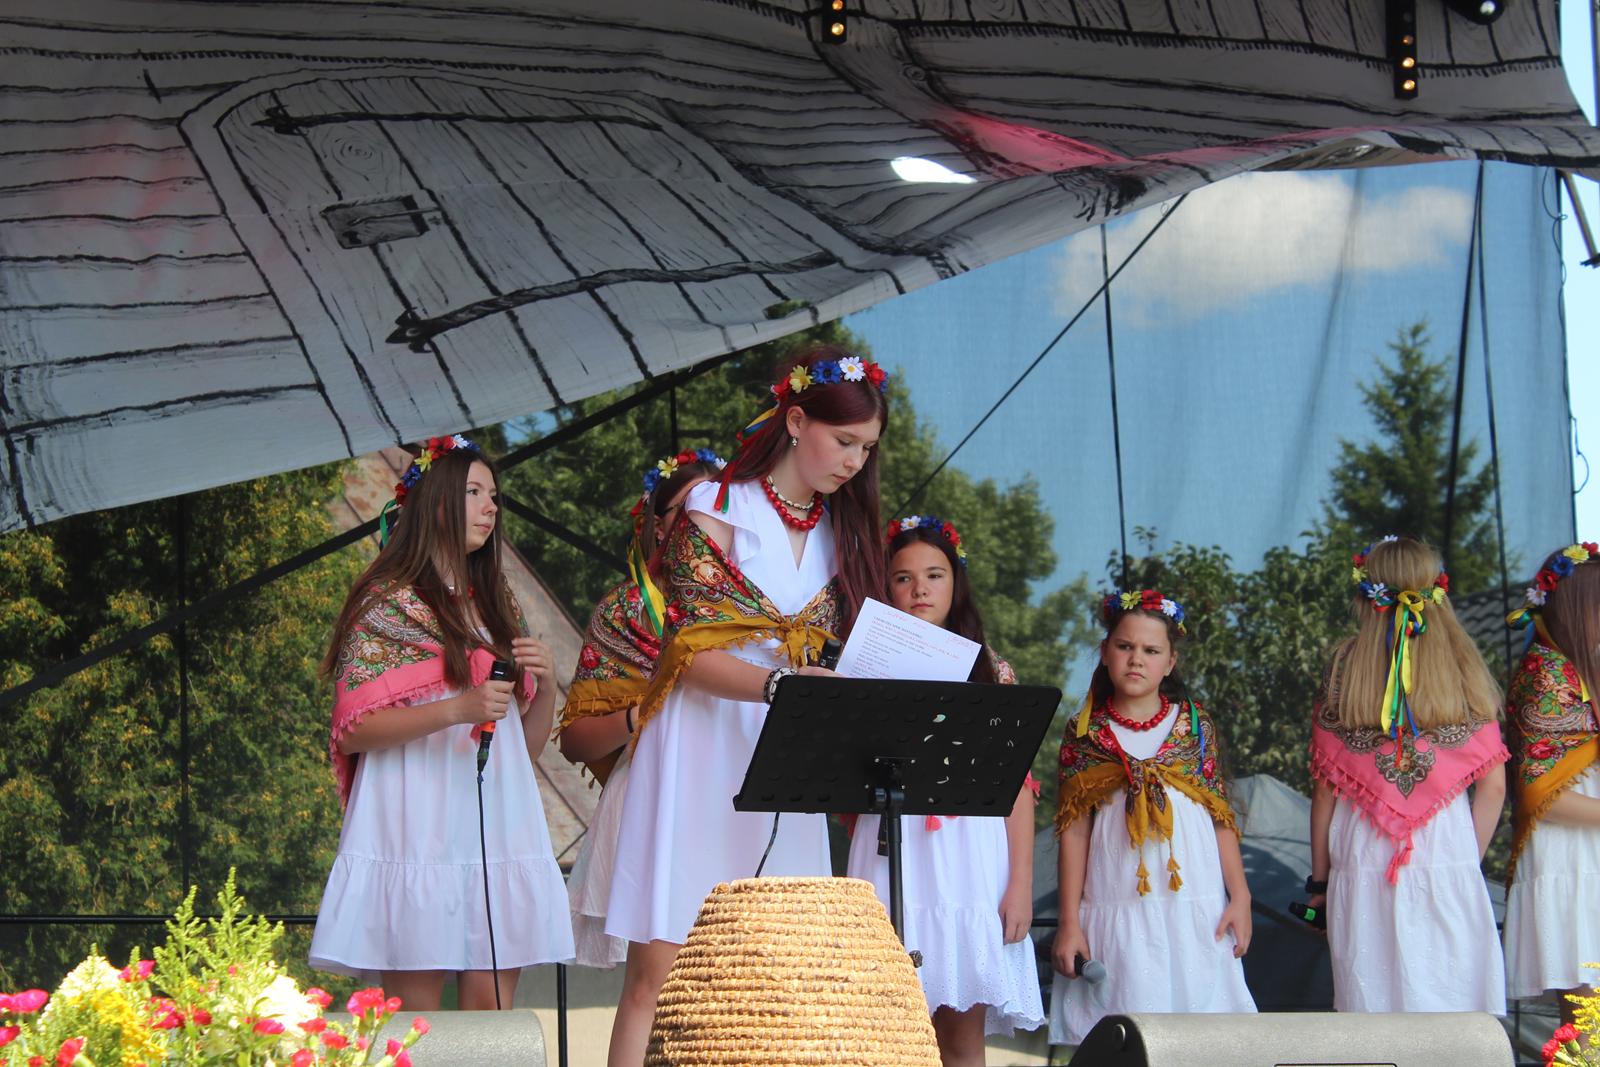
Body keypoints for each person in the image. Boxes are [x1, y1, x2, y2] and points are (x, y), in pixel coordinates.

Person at [603, 347, 890, 1067]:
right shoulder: (717, 505)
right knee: (661, 972)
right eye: (844, 440)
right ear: (795, 420)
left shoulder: (845, 535)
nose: (854, 461)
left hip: (789, 757)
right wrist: (781, 687)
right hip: (702, 744)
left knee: (776, 981)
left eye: (866, 449)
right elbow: (686, 652)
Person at [309, 436, 574, 1010]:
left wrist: (549, 685)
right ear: (435, 504)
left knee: (492, 1024)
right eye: (474, 492)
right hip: (417, 828)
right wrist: (456, 710)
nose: (490, 507)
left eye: (494, 495)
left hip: (496, 827)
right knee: (413, 1024)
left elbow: (519, 755)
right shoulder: (387, 604)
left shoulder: (499, 604)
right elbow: (353, 729)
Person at [846, 516, 1044, 1065]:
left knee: (960, 1036)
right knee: (888, 1036)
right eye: (903, 577)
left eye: (934, 575)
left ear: (956, 583)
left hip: (969, 855)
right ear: (886, 587)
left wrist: (1020, 884)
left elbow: (1017, 786)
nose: (920, 589)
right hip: (891, 844)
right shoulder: (864, 664)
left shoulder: (990, 671)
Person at [1306, 536, 1507, 1013]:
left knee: (1373, 1010)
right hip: (1445, 845)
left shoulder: (1346, 667)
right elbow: (1494, 785)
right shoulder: (1463, 666)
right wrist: (1463, 860)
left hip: (1363, 850)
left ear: (1366, 595)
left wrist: (1319, 886)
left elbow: (1326, 788)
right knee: (1452, 1008)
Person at [1049, 589, 1254, 1045]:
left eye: (1151, 650)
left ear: (1170, 662)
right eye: (1125, 646)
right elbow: (1074, 831)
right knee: (1127, 1036)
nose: (1136, 659)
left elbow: (1218, 815)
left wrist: (1239, 895)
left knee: (1202, 1037)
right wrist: (1069, 922)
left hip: (1194, 907)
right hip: (1117, 904)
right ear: (1105, 652)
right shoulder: (1085, 733)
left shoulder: (1194, 726)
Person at [559, 447, 725, 969]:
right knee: (656, 985)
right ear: (658, 527)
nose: (704, 525)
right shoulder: (628, 610)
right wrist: (642, 713)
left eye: (718, 509)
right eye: (689, 510)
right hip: (653, 800)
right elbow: (575, 741)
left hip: (733, 799)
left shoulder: (758, 610)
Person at [1503, 541, 1600, 1026]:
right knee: (1588, 1032)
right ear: (1579, 608)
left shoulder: (1577, 669)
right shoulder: (1545, 674)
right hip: (1572, 863)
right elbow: (1540, 795)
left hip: (1586, 860)